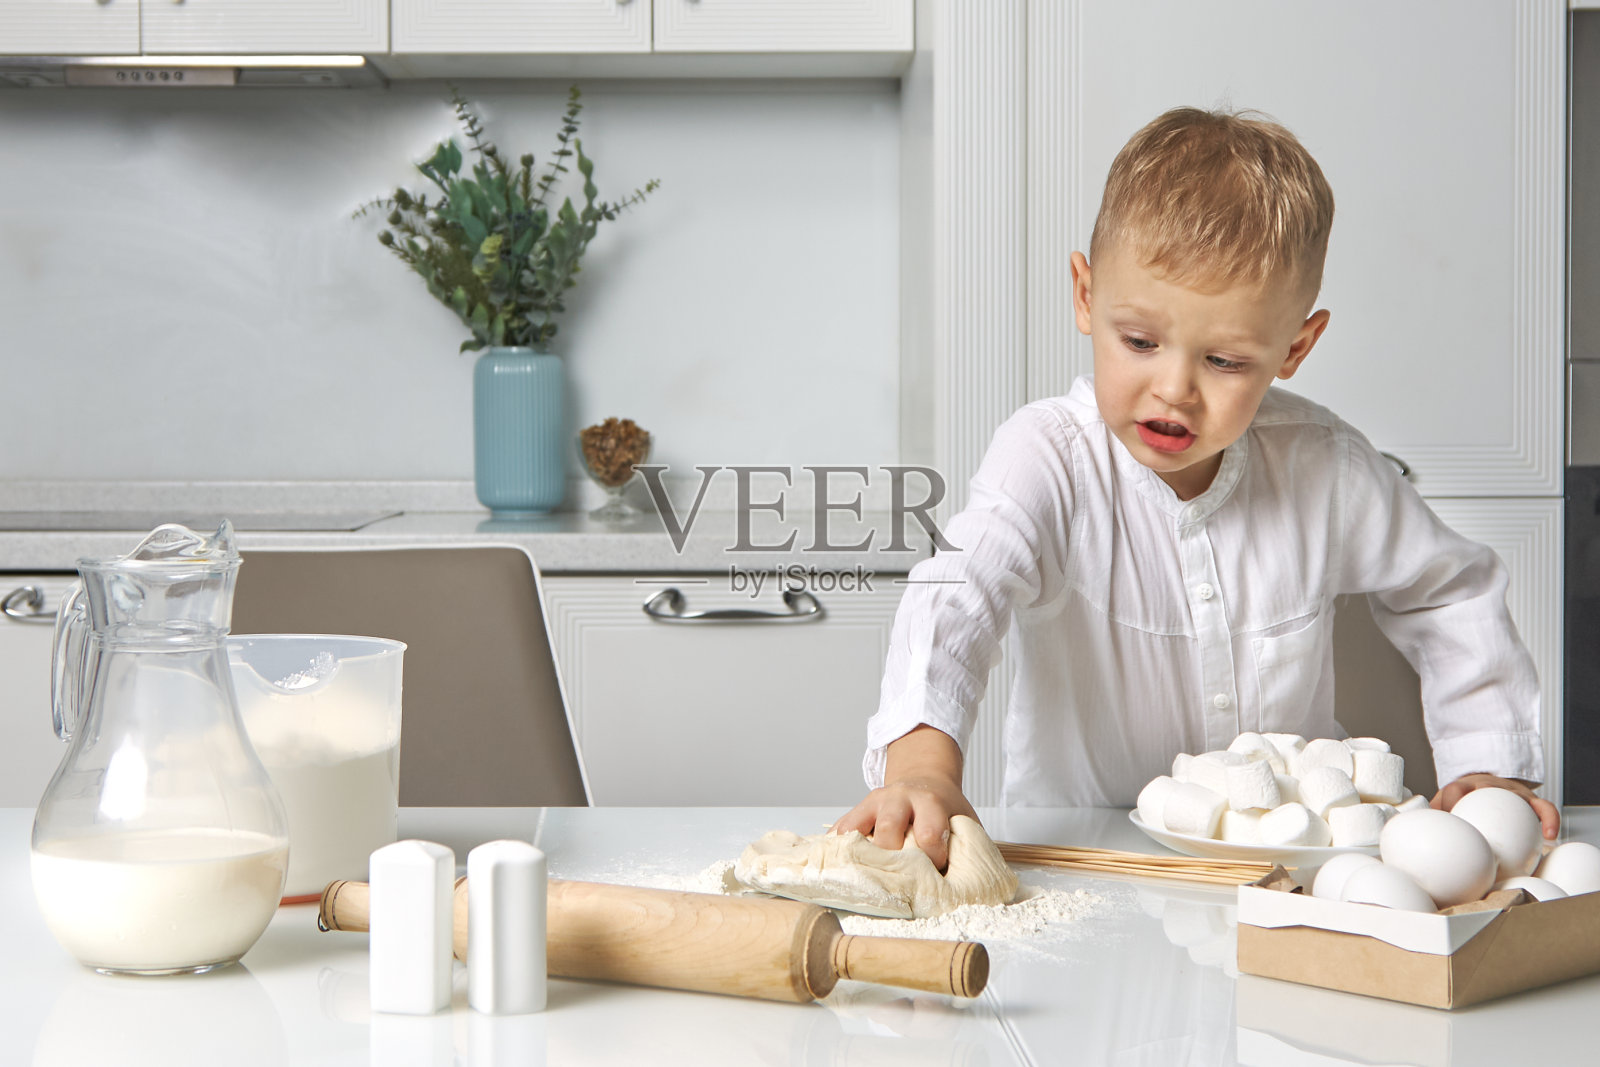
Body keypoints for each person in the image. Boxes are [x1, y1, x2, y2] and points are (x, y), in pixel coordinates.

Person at [837, 106, 1558, 871]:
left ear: (1295, 347)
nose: (1173, 388)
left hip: (1281, 870)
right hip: (1081, 857)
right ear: (1086, 295)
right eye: (1140, 342)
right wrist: (920, 767)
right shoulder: (1048, 455)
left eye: (1225, 361)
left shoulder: (1326, 467)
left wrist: (1491, 765)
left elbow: (1448, 587)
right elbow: (958, 593)